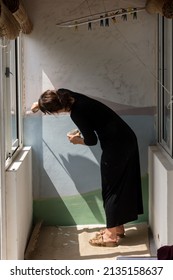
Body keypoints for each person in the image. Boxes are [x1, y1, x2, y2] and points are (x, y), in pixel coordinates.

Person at [31, 88, 143, 247]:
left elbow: (91, 141)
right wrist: (40, 104)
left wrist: (77, 140)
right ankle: (117, 227)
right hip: (127, 138)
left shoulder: (77, 113)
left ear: (56, 110)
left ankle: (110, 236)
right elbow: (56, 95)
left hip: (117, 147)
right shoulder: (66, 93)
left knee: (111, 189)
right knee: (121, 185)